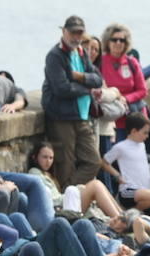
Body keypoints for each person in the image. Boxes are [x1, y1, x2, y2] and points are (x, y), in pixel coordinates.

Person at [42, 15, 104, 189]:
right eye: (73, 33)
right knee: (65, 164)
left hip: (81, 115)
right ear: (64, 32)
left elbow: (98, 79)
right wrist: (87, 89)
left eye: (79, 33)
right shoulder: (55, 56)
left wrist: (80, 77)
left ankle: (69, 193)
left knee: (93, 161)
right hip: (61, 116)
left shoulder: (81, 52)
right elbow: (61, 88)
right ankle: (68, 198)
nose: (76, 37)